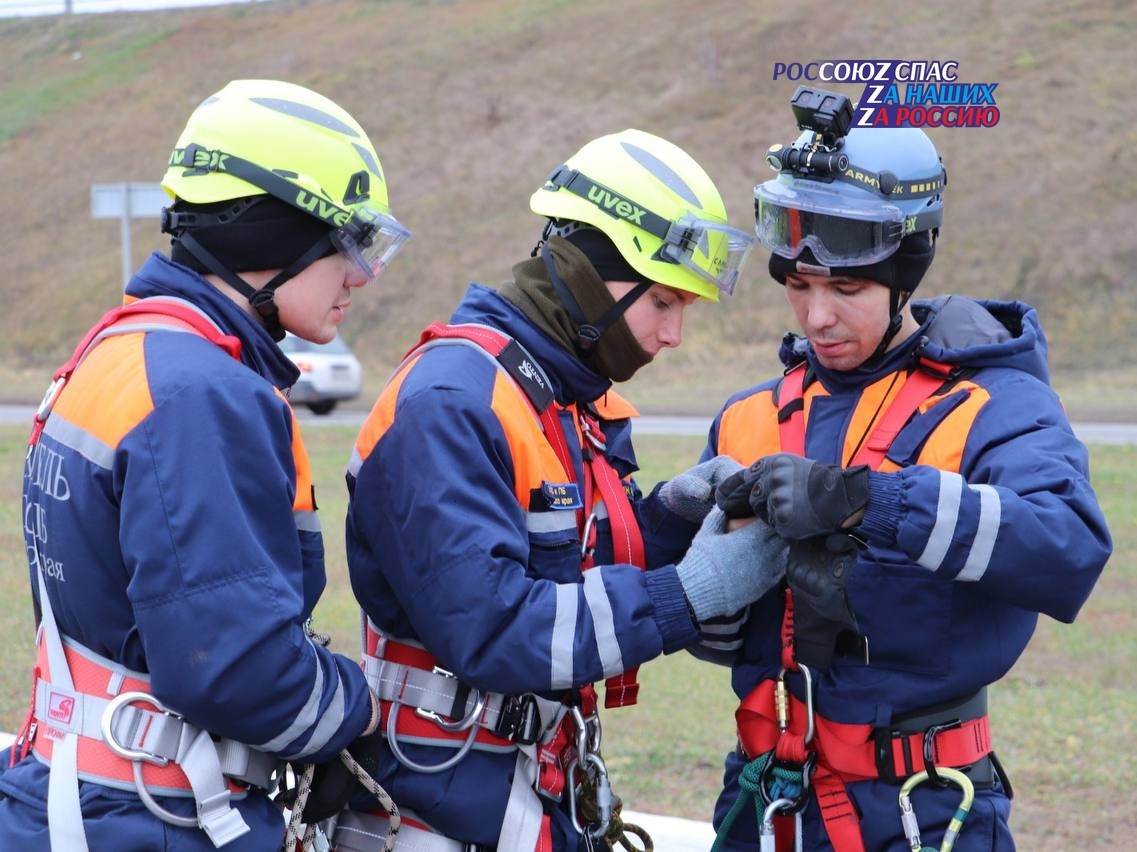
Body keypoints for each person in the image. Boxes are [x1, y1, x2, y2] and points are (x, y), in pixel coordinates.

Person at [334, 128, 789, 850]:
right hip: (437, 805)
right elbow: (491, 627)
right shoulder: (454, 402)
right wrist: (690, 594)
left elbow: (567, 570)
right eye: (665, 303)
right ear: (587, 274)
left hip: (520, 786)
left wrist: (671, 517)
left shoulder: (562, 399)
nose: (671, 335)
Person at [0, 78, 411, 851]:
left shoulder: (123, 351)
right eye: (348, 241)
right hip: (151, 820)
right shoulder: (201, 392)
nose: (361, 273)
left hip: (77, 793)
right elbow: (235, 671)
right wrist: (358, 705)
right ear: (273, 233)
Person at [700, 89, 1112, 850]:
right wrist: (682, 538)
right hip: (764, 806)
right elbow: (712, 632)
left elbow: (1067, 550)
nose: (817, 317)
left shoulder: (994, 404)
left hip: (921, 814)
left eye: (846, 290)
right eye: (798, 287)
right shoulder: (746, 418)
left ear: (905, 276)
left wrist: (868, 502)